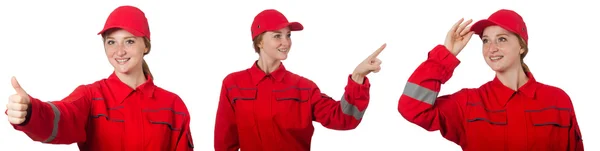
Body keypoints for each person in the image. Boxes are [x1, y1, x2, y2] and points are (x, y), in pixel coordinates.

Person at [5, 5, 194, 151]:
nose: (119, 51)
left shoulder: (173, 106)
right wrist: (31, 112)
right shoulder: (91, 97)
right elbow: (63, 116)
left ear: (145, 45)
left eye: (129, 41)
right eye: (111, 42)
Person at [397, 9, 584, 151]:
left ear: (521, 46)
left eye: (501, 39)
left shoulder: (558, 100)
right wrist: (445, 56)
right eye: (486, 41)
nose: (491, 48)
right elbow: (412, 108)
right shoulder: (468, 104)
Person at [214, 9, 386, 151]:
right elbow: (224, 141)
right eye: (277, 36)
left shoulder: (304, 88)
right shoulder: (233, 84)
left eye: (288, 35)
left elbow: (343, 118)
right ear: (259, 41)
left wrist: (358, 77)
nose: (286, 42)